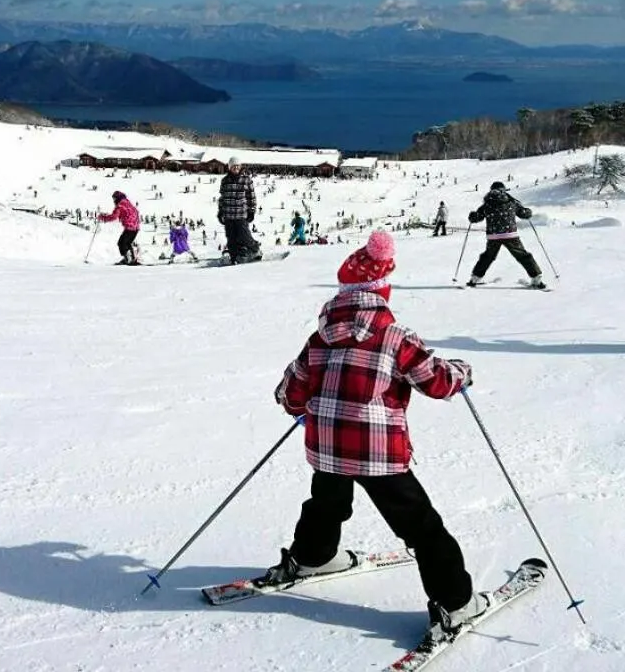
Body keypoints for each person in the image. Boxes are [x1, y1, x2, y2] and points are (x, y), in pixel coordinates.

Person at [267, 231, 490, 636]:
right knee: (421, 526)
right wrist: (461, 371)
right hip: (378, 454)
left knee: (326, 502)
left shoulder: (319, 338)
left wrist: (300, 408)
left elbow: (290, 391)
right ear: (381, 293)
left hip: (327, 447)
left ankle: (313, 556)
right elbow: (437, 381)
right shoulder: (395, 337)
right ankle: (456, 602)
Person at [465, 182, 544, 289]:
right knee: (522, 255)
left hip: (493, 236)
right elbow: (523, 213)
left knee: (487, 257)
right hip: (510, 234)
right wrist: (527, 212)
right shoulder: (511, 201)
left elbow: (477, 217)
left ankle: (475, 278)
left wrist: (473, 216)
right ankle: (536, 277)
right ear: (504, 190)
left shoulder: (487, 203)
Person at [217, 157, 260, 263]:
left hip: (241, 215)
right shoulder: (225, 181)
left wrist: (251, 211)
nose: (236, 167)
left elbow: (251, 197)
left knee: (244, 236)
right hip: (228, 215)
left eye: (238, 165)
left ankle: (255, 250)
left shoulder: (246, 179)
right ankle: (235, 257)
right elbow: (222, 198)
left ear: (240, 167)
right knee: (231, 239)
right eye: (233, 166)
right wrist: (220, 211)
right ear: (230, 167)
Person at [96, 191, 141, 265]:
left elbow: (114, 217)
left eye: (114, 198)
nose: (114, 201)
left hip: (130, 227)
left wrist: (103, 218)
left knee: (121, 243)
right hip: (136, 227)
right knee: (127, 243)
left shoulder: (120, 205)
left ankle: (128, 259)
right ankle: (131, 258)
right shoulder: (127, 203)